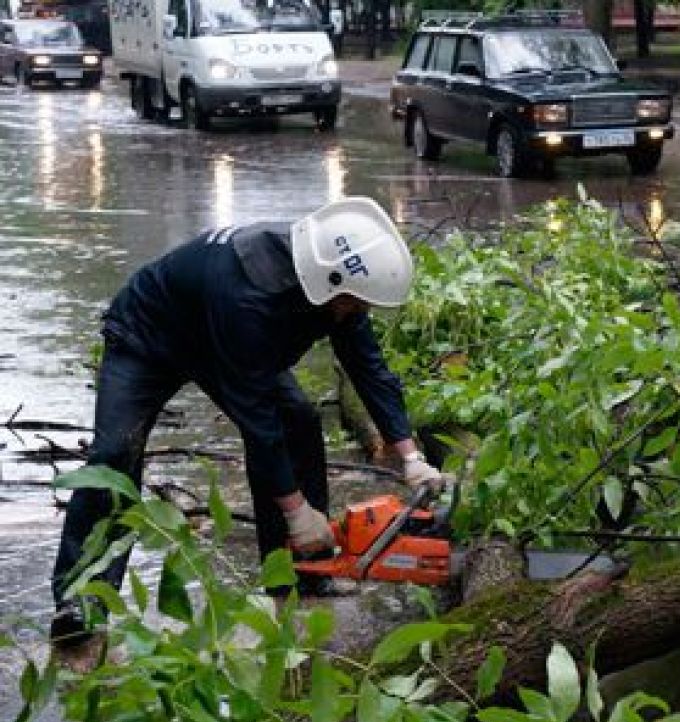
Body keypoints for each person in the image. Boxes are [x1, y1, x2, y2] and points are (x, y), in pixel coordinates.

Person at [50, 197, 444, 646]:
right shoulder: (250, 294)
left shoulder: (337, 285)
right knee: (114, 455)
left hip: (231, 342)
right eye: (355, 303)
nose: (359, 311)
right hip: (149, 337)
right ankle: (81, 601)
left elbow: (368, 367)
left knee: (298, 423)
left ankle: (300, 570)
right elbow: (258, 423)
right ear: (329, 284)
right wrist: (296, 511)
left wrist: (409, 455)